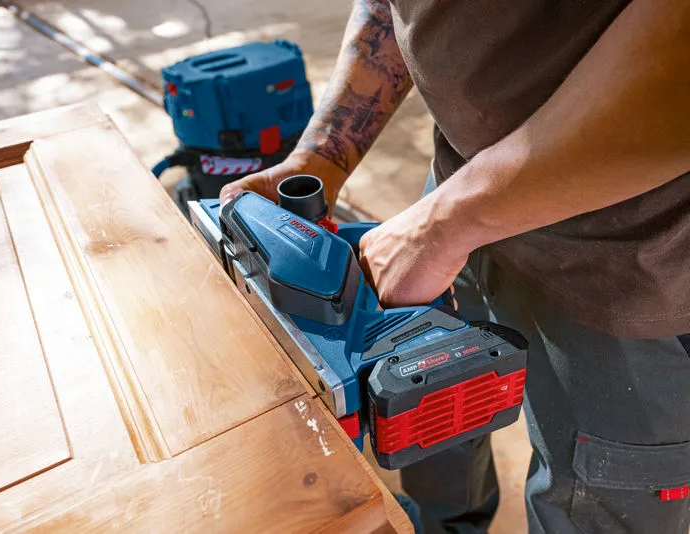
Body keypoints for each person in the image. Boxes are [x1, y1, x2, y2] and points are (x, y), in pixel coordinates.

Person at [220, 1, 690, 533]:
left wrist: (440, 228)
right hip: (458, 188)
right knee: (429, 429)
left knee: (591, 510)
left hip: (629, 263)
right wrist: (322, 159)